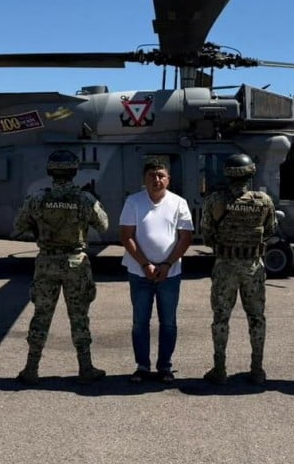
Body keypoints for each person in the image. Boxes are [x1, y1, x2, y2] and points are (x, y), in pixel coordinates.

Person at [13, 150, 110, 385]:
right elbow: (104, 226)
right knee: (79, 317)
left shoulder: (37, 198)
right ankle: (85, 368)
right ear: (75, 171)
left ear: (50, 171)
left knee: (41, 316)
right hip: (75, 263)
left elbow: (19, 225)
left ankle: (31, 369)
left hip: (46, 262)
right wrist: (95, 200)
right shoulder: (84, 199)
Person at [200, 153, 277, 384]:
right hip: (253, 267)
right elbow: (271, 230)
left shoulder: (215, 200)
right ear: (251, 173)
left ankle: (220, 369)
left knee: (221, 318)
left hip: (225, 267)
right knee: (256, 318)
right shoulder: (264, 200)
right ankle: (257, 370)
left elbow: (206, 235)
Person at [120, 159, 194, 383]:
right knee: (140, 322)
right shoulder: (133, 202)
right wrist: (145, 264)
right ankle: (142, 366)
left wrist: (167, 264)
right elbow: (126, 236)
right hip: (139, 272)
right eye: (152, 175)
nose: (156, 179)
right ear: (144, 179)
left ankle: (165, 367)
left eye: (161, 175)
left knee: (168, 322)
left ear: (168, 179)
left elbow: (185, 237)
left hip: (170, 274)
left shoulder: (179, 203)